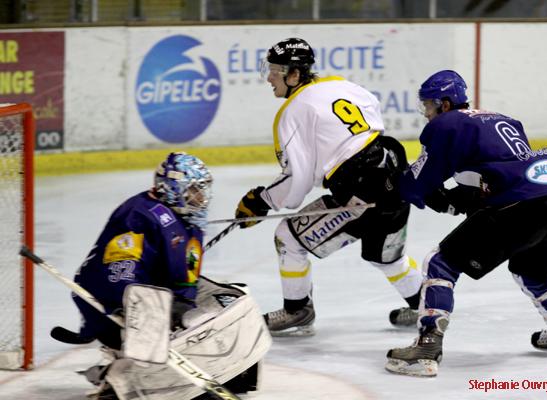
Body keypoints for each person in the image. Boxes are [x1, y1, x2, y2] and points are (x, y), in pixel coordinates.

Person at [385, 70, 547, 377]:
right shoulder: (499, 118)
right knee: (533, 276)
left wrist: (399, 189)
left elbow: (418, 181)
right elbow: (497, 173)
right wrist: (456, 199)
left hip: (519, 206)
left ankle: (426, 346)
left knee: (440, 263)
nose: (427, 114)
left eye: (428, 105)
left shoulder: (446, 123)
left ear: (443, 104)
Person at [234, 37, 423, 337]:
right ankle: (426, 308)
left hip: (362, 191)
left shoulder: (292, 112)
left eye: (275, 70)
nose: (269, 77)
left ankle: (298, 310)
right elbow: (372, 112)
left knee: (288, 236)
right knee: (385, 255)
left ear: (294, 75)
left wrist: (262, 200)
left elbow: (297, 182)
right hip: (394, 175)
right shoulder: (341, 85)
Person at [65, 152, 270, 399]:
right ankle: (124, 380)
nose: (201, 198)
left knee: (230, 298)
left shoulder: (186, 219)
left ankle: (233, 372)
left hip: (151, 293)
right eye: (194, 191)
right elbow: (116, 270)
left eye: (203, 191)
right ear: (173, 188)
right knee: (169, 320)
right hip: (110, 302)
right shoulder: (138, 213)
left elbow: (184, 280)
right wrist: (137, 309)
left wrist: (179, 302)